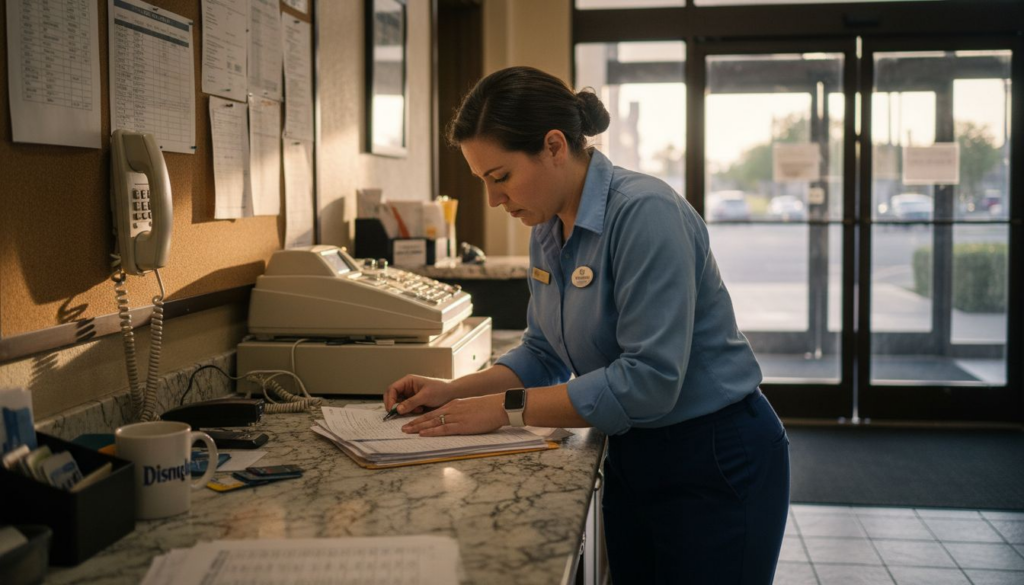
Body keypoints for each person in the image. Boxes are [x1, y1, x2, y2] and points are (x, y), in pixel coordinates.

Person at [384, 66, 790, 584]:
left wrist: (504, 411)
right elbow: (542, 354)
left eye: (500, 177)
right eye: (484, 182)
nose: (493, 200)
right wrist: (453, 393)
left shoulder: (644, 213)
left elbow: (648, 381)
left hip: (714, 455)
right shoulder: (547, 226)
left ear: (554, 146)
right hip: (633, 452)